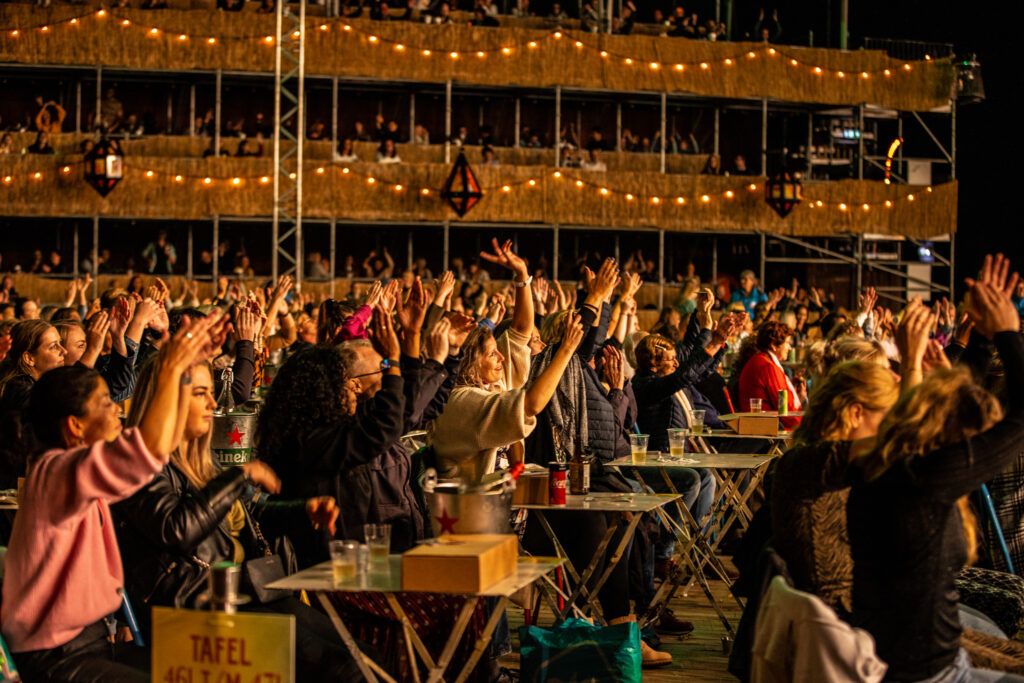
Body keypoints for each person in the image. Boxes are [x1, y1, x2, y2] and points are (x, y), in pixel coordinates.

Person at [112, 357, 373, 680]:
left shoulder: (196, 458)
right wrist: (238, 475)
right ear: (166, 399)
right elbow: (177, 529)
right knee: (342, 668)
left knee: (363, 657)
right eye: (200, 393)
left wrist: (302, 511)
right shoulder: (137, 464)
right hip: (190, 612)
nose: (212, 402)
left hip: (242, 594)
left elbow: (245, 518)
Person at [0, 315, 217, 681]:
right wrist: (172, 369)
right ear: (75, 426)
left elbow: (150, 450)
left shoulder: (77, 470)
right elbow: (147, 449)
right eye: (104, 403)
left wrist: (183, 379)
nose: (117, 408)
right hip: (56, 654)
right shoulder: (60, 471)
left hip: (90, 639)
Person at [848, 255, 1024, 682]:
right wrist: (1006, 333)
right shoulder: (922, 482)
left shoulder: (881, 462)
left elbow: (923, 422)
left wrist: (976, 343)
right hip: (930, 670)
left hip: (898, 650)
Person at [429, 239, 581, 483]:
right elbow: (530, 406)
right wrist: (566, 350)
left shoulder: (490, 384)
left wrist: (522, 275)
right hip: (471, 515)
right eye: (491, 353)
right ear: (469, 363)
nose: (500, 355)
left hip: (496, 508)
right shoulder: (460, 403)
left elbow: (520, 330)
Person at [770, 360, 898, 617]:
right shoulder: (810, 462)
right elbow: (904, 441)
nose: (890, 426)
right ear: (855, 413)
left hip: (871, 603)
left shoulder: (819, 460)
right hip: (847, 623)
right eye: (887, 417)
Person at [737, 320, 803, 427]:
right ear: (773, 345)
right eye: (787, 343)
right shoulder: (767, 366)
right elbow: (784, 411)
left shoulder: (760, 360)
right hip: (766, 429)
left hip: (762, 426)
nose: (789, 348)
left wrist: (795, 393)